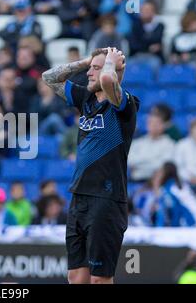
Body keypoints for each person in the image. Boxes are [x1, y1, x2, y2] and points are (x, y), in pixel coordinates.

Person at [42, 47, 139, 284]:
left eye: (95, 68)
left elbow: (107, 80)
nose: (89, 73)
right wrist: (87, 61)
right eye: (90, 68)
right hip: (79, 197)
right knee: (76, 277)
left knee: (99, 279)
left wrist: (110, 66)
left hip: (106, 199)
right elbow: (49, 77)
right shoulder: (86, 99)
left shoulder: (124, 105)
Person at [128, 112, 176, 182]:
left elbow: (164, 166)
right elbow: (129, 161)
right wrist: (152, 159)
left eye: (157, 123)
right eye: (150, 123)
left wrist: (139, 165)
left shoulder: (170, 144)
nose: (153, 125)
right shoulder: (137, 143)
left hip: (160, 183)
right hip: (136, 182)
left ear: (163, 125)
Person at [127, 0, 164, 71]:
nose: (144, 12)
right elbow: (133, 44)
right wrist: (148, 46)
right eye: (143, 10)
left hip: (153, 57)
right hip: (137, 55)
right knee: (128, 66)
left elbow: (157, 40)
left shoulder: (160, 26)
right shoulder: (135, 25)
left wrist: (142, 41)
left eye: (147, 10)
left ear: (154, 12)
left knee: (155, 65)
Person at [175, 118, 196, 188]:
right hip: (186, 182)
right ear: (191, 130)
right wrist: (189, 178)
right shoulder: (182, 145)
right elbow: (177, 167)